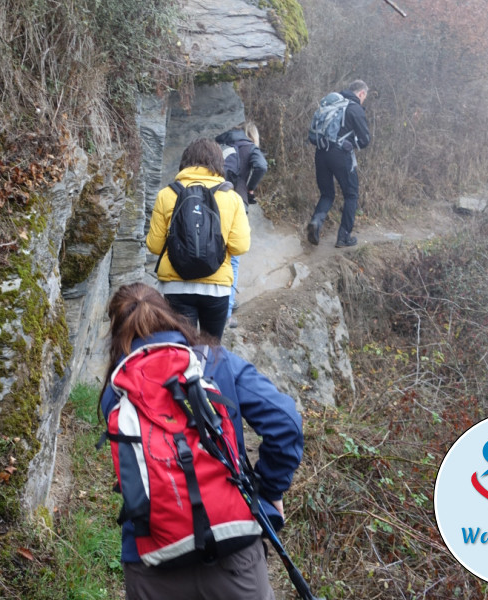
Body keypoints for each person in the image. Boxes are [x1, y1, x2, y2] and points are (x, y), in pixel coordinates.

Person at [100, 282, 304, 600]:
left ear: (116, 334)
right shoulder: (217, 362)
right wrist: (270, 489)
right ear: (171, 317)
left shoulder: (116, 392)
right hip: (234, 552)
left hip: (153, 562)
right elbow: (285, 420)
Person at [146, 138, 251, 340]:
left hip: (175, 286)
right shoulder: (232, 198)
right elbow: (240, 246)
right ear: (218, 163)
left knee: (182, 351)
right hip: (217, 288)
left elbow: (154, 245)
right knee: (210, 352)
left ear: (185, 162)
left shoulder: (166, 195)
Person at [215, 121, 268, 329]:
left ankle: (217, 303)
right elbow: (262, 166)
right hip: (236, 205)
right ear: (251, 135)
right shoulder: (249, 147)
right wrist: (250, 187)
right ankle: (226, 313)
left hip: (215, 202)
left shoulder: (222, 144)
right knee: (233, 258)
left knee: (216, 253)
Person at [306, 79, 370, 248]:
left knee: (327, 193)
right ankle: (344, 237)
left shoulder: (333, 102)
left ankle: (316, 223)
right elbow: (365, 140)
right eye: (365, 97)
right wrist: (353, 144)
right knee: (351, 194)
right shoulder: (355, 109)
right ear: (361, 93)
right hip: (340, 155)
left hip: (320, 152)